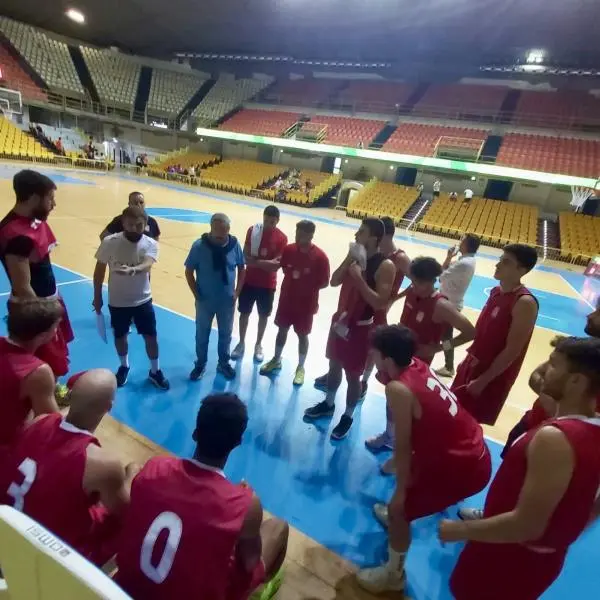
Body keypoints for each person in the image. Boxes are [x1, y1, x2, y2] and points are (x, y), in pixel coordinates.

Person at [441, 336, 600, 600]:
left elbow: (528, 526)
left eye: (553, 365)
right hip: (535, 556)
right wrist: (559, 536)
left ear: (576, 381)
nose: (545, 370)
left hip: (508, 556)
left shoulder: (555, 438)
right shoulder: (590, 426)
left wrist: (461, 530)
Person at [355, 325, 491, 594]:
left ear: (387, 359)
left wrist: (400, 494)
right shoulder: (415, 364)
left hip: (461, 466)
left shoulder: (397, 388)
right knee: (405, 496)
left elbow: (403, 447)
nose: (371, 353)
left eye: (375, 351)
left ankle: (393, 576)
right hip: (474, 451)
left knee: (399, 509)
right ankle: (399, 518)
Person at [115, 393, 289, 600]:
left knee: (134, 469)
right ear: (237, 442)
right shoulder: (245, 503)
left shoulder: (155, 467)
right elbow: (250, 562)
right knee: (278, 527)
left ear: (195, 433)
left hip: (128, 586)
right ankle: (257, 592)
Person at [1, 370, 136, 566]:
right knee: (126, 519)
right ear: (109, 407)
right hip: (47, 550)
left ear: (70, 395)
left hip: (9, 524)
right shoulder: (101, 463)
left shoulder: (39, 420)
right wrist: (133, 475)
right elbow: (124, 510)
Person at [366, 257, 475, 458]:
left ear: (431, 281)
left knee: (408, 410)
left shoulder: (441, 305)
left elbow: (470, 332)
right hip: (395, 356)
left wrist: (440, 348)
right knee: (391, 400)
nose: (413, 286)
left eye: (417, 283)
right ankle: (390, 437)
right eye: (412, 281)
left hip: (415, 366)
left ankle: (405, 451)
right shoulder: (413, 290)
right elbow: (398, 299)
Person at [305, 218, 395, 440]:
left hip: (362, 328)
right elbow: (334, 281)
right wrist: (348, 260)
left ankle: (348, 415)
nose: (356, 234)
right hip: (340, 321)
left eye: (361, 232)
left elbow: (380, 303)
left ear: (373, 237)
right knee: (333, 365)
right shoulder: (355, 256)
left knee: (353, 376)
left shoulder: (385, 265)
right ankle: (328, 403)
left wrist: (359, 279)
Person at [451, 244, 539, 425]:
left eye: (506, 262)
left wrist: (484, 380)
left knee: (469, 423)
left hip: (490, 375)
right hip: (472, 365)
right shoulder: (495, 292)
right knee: (453, 413)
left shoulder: (524, 302)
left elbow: (513, 350)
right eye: (500, 260)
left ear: (522, 270)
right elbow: (481, 333)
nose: (498, 265)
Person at [0, 170, 74, 378]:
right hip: (35, 308)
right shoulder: (16, 235)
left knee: (53, 363)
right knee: (38, 365)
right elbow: (23, 287)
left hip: (48, 299)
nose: (54, 204)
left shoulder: (33, 221)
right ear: (33, 198)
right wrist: (44, 319)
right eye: (50, 198)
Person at [93, 205, 169, 390]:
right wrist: (97, 297)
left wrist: (133, 269)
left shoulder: (150, 244)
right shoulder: (110, 242)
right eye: (130, 224)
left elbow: (147, 264)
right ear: (122, 223)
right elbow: (99, 272)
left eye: (139, 225)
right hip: (117, 301)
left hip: (143, 300)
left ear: (145, 224)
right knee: (120, 336)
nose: (134, 228)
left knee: (151, 337)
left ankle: (155, 371)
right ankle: (124, 366)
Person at [260, 220, 330, 386]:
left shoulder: (320, 257)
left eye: (302, 234)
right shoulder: (289, 249)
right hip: (286, 301)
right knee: (281, 330)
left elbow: (325, 282)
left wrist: (307, 285)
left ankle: (300, 367)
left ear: (311, 235)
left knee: (302, 336)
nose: (298, 236)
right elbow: (284, 267)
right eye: (297, 232)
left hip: (306, 305)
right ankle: (276, 359)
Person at [184, 213, 245, 381]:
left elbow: (242, 267)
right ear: (211, 229)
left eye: (223, 233)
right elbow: (189, 271)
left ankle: (223, 363)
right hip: (205, 301)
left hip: (227, 301)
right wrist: (196, 293)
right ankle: (200, 364)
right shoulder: (199, 246)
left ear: (228, 230)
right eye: (216, 234)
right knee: (202, 334)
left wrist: (237, 292)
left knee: (226, 333)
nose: (219, 238)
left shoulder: (234, 245)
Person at [359, 216, 411, 397]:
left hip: (379, 308)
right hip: (362, 303)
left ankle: (363, 381)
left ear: (385, 235)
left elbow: (418, 281)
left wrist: (396, 297)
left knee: (373, 348)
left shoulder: (400, 258)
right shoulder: (374, 252)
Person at [0, 298, 62, 447]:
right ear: (42, 336)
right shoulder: (37, 372)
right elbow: (51, 424)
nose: (57, 331)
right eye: (56, 327)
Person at [231, 205, 288, 363]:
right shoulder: (253, 230)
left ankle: (258, 344)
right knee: (244, 313)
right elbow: (244, 257)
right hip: (249, 281)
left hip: (267, 285)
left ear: (277, 221)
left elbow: (276, 265)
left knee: (263, 316)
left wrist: (256, 262)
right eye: (266, 221)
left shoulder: (282, 238)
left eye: (272, 221)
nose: (268, 224)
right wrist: (265, 263)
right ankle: (241, 343)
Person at [435, 233, 479, 378]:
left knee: (446, 339)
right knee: (445, 337)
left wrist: (448, 259)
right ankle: (448, 365)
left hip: (449, 304)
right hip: (451, 302)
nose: (460, 242)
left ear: (466, 245)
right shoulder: (467, 261)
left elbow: (440, 276)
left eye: (462, 240)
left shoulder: (463, 263)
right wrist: (449, 257)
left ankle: (449, 366)